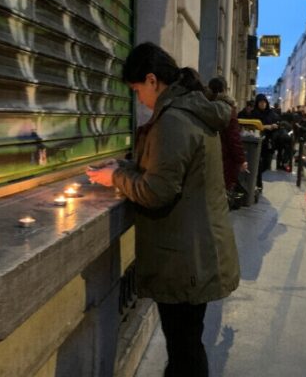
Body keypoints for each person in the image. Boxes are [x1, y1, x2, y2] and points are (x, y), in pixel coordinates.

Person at [86, 42, 240, 377]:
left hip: (185, 258)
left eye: (137, 89)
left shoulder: (174, 120)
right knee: (186, 346)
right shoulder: (193, 112)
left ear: (153, 80)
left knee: (184, 350)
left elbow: (157, 191)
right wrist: (126, 166)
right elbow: (167, 169)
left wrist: (115, 176)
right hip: (197, 251)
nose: (138, 99)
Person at [207, 76, 247, 208]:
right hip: (224, 157)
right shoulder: (228, 109)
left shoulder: (204, 106)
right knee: (221, 193)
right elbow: (233, 137)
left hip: (206, 155)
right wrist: (241, 160)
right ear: (225, 90)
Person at [254, 94, 280, 191]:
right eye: (261, 102)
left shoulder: (270, 113)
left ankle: (257, 180)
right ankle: (258, 184)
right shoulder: (254, 113)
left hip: (268, 142)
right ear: (257, 103)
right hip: (257, 141)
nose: (263, 104)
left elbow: (277, 121)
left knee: (266, 163)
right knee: (258, 164)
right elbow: (252, 125)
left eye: (264, 102)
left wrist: (275, 125)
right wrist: (265, 127)